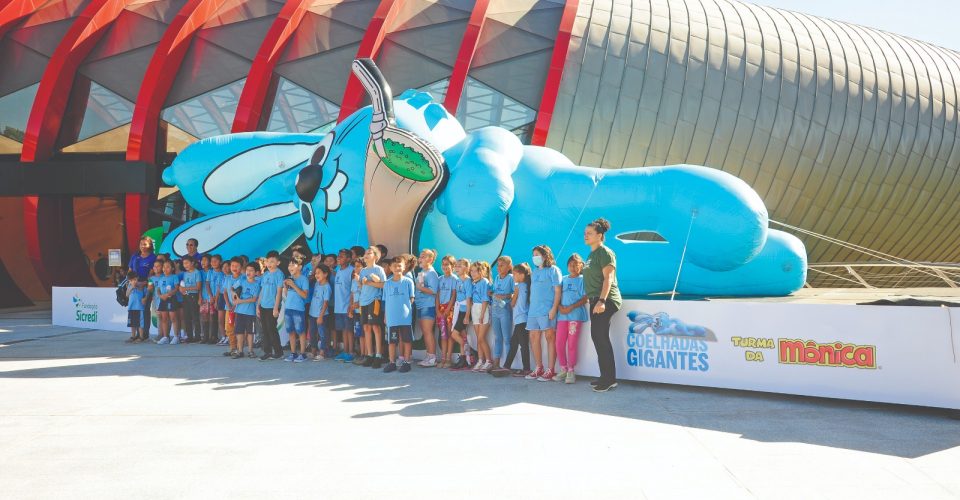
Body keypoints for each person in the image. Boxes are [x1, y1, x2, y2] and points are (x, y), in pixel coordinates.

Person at [583, 218, 622, 393]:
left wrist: (602, 300)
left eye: (589, 233)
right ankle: (605, 376)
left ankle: (609, 379)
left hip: (605, 301)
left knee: (601, 338)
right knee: (597, 338)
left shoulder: (605, 252)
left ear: (599, 235)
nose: (586, 236)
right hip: (595, 300)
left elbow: (609, 278)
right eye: (585, 233)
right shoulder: (591, 254)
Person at [525, 245, 562, 382]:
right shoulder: (534, 272)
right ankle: (538, 367)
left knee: (549, 337)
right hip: (533, 311)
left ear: (545, 256)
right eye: (533, 255)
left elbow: (558, 291)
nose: (535, 257)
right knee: (533, 337)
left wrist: (553, 308)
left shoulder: (554, 270)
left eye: (537, 255)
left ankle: (550, 369)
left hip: (547, 310)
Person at [555, 254, 589, 384]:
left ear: (581, 266)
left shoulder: (583, 279)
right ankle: (563, 368)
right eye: (570, 264)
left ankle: (571, 370)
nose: (573, 267)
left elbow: (585, 298)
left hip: (575, 316)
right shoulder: (562, 279)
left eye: (576, 264)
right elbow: (556, 295)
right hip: (562, 316)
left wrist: (571, 307)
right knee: (559, 342)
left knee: (572, 343)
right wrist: (559, 307)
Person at [382, 258, 416, 373]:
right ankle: (392, 362)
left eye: (399, 266)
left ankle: (407, 362)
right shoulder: (387, 283)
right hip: (392, 318)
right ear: (390, 268)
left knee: (406, 340)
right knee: (392, 341)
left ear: (404, 267)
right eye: (394, 266)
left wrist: (405, 309)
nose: (397, 268)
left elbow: (412, 298)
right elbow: (385, 301)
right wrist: (386, 316)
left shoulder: (408, 282)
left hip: (405, 318)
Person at [358, 246, 387, 368]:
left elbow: (384, 285)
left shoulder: (379, 269)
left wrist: (370, 282)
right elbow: (360, 285)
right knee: (366, 328)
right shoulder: (363, 270)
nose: (366, 255)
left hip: (374, 301)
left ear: (375, 256)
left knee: (375, 327)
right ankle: (369, 355)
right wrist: (362, 282)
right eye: (365, 253)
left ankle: (379, 355)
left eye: (369, 253)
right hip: (363, 302)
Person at [257, 251, 285, 360]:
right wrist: (257, 306)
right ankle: (267, 352)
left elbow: (279, 292)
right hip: (263, 305)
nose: (269, 264)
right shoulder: (266, 274)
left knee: (271, 329)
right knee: (264, 329)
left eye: (272, 261)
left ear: (278, 262)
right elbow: (262, 290)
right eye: (268, 261)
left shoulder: (279, 274)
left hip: (272, 306)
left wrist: (275, 308)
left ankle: (278, 352)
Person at [414, 249, 440, 367]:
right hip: (420, 305)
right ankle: (429, 356)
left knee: (428, 332)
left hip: (428, 306)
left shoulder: (431, 273)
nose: (420, 259)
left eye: (423, 256)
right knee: (425, 332)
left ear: (430, 259)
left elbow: (434, 291)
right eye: (420, 256)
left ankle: (432, 357)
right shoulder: (422, 272)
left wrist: (420, 288)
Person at [282, 259, 310, 362]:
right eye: (289, 265)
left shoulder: (304, 279)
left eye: (293, 265)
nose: (290, 267)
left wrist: (294, 285)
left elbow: (305, 295)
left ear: (300, 267)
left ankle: (303, 354)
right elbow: (286, 295)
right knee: (291, 331)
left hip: (298, 309)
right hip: (288, 308)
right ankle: (293, 353)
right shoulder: (290, 278)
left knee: (301, 331)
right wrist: (285, 286)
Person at [232, 262, 262, 359]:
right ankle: (240, 351)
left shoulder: (256, 284)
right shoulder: (242, 280)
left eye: (251, 270)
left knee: (250, 332)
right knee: (239, 331)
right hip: (240, 311)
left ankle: (250, 351)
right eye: (247, 270)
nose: (248, 272)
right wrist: (234, 295)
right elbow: (232, 288)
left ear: (256, 273)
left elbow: (254, 299)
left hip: (250, 312)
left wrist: (240, 301)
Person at [490, 256, 514, 371]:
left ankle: (507, 365)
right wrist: (492, 293)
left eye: (502, 265)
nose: (499, 268)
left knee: (506, 338)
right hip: (494, 310)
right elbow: (495, 291)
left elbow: (515, 294)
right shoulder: (496, 277)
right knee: (497, 337)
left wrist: (504, 296)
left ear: (509, 266)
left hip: (505, 311)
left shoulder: (511, 278)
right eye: (498, 266)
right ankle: (496, 362)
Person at [448, 258, 474, 370]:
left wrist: (467, 315)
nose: (456, 268)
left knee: (454, 334)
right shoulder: (458, 280)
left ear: (466, 268)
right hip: (458, 309)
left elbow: (469, 299)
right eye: (456, 266)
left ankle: (467, 353)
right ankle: (465, 359)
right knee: (463, 335)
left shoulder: (468, 281)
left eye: (460, 266)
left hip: (464, 311)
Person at [468, 261, 493, 372]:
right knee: (479, 339)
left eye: (474, 271)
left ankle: (489, 361)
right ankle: (480, 360)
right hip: (475, 309)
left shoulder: (484, 282)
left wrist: (482, 314)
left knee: (482, 338)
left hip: (483, 310)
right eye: (471, 271)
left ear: (481, 271)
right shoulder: (474, 283)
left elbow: (485, 300)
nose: (472, 273)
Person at [436, 255, 459, 368]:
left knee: (450, 334)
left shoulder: (455, 279)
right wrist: (437, 310)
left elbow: (454, 295)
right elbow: (438, 295)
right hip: (440, 309)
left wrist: (448, 309)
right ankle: (443, 358)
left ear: (453, 266)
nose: (444, 266)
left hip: (450, 309)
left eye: (447, 264)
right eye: (443, 264)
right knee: (443, 335)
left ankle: (449, 358)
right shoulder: (440, 279)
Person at [332, 250, 354, 361]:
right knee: (343, 330)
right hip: (338, 307)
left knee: (349, 330)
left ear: (349, 259)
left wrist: (350, 306)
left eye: (342, 256)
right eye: (338, 256)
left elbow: (353, 290)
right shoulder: (338, 270)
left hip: (347, 307)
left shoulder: (352, 271)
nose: (339, 257)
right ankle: (345, 351)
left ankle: (351, 352)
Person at [308, 264, 332, 361]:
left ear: (325, 274)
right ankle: (313, 351)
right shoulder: (317, 284)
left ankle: (322, 352)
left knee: (322, 334)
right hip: (312, 313)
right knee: (312, 332)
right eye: (316, 273)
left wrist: (321, 316)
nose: (316, 275)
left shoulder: (327, 287)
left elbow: (326, 303)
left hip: (321, 315)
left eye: (319, 273)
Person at [155, 260, 180, 345]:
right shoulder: (161, 278)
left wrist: (169, 294)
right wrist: (160, 295)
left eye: (168, 267)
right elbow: (158, 289)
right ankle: (166, 337)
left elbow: (176, 288)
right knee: (164, 318)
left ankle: (176, 336)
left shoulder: (174, 277)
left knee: (173, 318)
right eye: (164, 267)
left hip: (171, 299)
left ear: (172, 268)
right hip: (163, 299)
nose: (165, 269)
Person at [222, 258, 243, 356]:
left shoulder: (243, 279)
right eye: (232, 266)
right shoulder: (228, 278)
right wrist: (228, 304)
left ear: (241, 267)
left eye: (237, 266)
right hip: (229, 308)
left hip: (240, 309)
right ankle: (232, 348)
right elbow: (225, 292)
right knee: (229, 328)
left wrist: (235, 305)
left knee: (239, 328)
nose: (234, 268)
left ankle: (239, 349)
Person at [180, 256, 202, 343]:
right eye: (184, 263)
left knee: (195, 316)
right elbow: (183, 285)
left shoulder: (197, 272)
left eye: (187, 263)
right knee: (187, 317)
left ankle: (197, 336)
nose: (185, 265)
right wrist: (182, 289)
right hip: (186, 296)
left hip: (194, 296)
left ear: (192, 263)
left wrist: (186, 289)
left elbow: (198, 286)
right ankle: (189, 336)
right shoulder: (185, 273)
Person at [347, 258, 364, 363]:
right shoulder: (354, 280)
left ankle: (366, 354)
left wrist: (359, 304)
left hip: (364, 310)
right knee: (359, 333)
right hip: (356, 311)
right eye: (355, 266)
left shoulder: (365, 279)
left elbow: (366, 293)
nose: (355, 268)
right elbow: (352, 294)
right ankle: (361, 354)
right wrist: (351, 307)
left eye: (358, 266)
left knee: (364, 334)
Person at [124, 271, 147, 343]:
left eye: (134, 280)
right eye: (130, 280)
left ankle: (141, 337)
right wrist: (131, 288)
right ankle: (133, 336)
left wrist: (138, 285)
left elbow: (146, 293)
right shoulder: (129, 286)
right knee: (132, 323)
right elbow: (127, 295)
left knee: (140, 323)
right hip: (131, 307)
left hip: (139, 307)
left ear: (137, 279)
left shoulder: (142, 286)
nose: (133, 282)